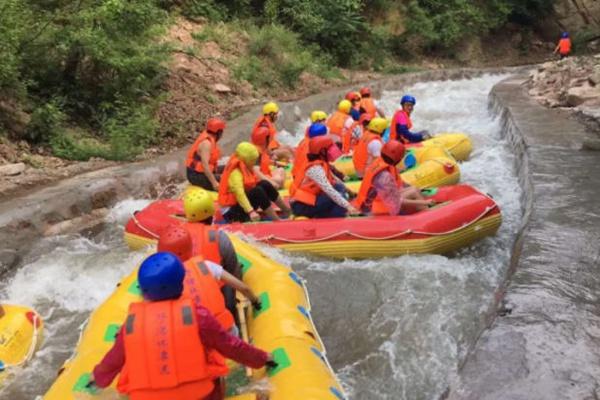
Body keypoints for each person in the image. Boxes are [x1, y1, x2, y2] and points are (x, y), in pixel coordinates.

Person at [90, 252, 275, 400]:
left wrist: (97, 379)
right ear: (181, 283)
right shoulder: (197, 315)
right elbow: (231, 346)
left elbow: (113, 360)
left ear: (143, 291)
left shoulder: (131, 324)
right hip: (201, 395)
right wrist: (262, 358)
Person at [157, 225, 261, 332]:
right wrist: (256, 301)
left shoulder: (158, 282)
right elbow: (244, 288)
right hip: (223, 332)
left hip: (191, 337)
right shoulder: (206, 266)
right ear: (190, 249)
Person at [218, 142, 290, 223]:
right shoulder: (235, 173)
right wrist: (251, 211)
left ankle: (287, 210)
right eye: (253, 160)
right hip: (231, 212)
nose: (254, 163)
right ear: (247, 159)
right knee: (257, 191)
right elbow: (240, 194)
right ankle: (277, 220)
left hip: (239, 205)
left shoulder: (244, 165)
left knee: (264, 183)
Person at [355, 141, 434, 215]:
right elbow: (396, 203)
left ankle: (425, 212)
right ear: (398, 158)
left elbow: (399, 186)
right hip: (375, 208)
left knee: (414, 189)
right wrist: (425, 202)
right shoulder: (383, 176)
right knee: (413, 192)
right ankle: (428, 216)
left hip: (380, 201)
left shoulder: (382, 161)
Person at [290, 135, 359, 219]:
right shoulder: (315, 169)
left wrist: (350, 192)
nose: (333, 151)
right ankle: (336, 217)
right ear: (322, 151)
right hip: (302, 206)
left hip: (312, 201)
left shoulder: (322, 163)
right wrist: (349, 206)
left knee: (339, 187)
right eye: (330, 148)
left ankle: (332, 214)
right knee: (339, 196)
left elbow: (335, 180)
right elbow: (329, 191)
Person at [185, 118, 226, 191]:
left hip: (201, 172)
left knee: (227, 168)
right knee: (226, 178)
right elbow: (205, 166)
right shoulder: (206, 144)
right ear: (218, 132)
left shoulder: (209, 137)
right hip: (196, 176)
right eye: (222, 132)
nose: (222, 135)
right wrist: (214, 183)